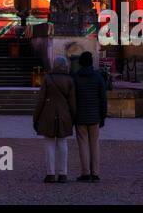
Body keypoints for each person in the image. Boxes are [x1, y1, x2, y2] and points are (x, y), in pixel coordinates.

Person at [32, 55, 78, 183]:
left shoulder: (48, 78)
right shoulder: (70, 80)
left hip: (48, 114)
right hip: (64, 114)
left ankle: (50, 173)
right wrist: (73, 117)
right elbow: (72, 102)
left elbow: (41, 100)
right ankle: (63, 173)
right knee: (63, 143)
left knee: (49, 144)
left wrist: (36, 117)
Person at [72, 51, 108, 182]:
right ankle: (95, 172)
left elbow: (73, 99)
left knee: (83, 144)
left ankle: (85, 172)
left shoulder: (76, 77)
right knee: (94, 144)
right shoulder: (98, 77)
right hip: (94, 115)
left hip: (80, 115)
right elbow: (103, 99)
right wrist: (103, 116)